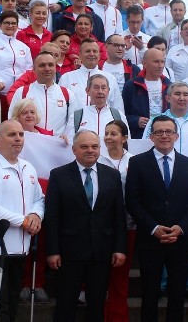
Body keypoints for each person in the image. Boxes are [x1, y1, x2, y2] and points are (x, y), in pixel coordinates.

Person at [45, 129, 127, 322]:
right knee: (65, 305)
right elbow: (53, 216)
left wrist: (119, 248)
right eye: (84, 147)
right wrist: (52, 250)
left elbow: (118, 216)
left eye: (94, 146)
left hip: (102, 251)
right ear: (74, 150)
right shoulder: (59, 175)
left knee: (97, 305)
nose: (90, 150)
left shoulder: (112, 176)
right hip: (68, 252)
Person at [126, 115, 188, 322]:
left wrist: (181, 227)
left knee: (177, 294)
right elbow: (132, 202)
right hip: (150, 239)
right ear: (151, 137)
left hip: (180, 239)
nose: (164, 136)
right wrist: (153, 227)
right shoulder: (137, 163)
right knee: (149, 293)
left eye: (169, 132)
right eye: (159, 132)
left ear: (176, 135)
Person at [0, 119, 44, 322]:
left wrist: (36, 216)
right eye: (12, 135)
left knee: (12, 306)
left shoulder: (28, 167)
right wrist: (24, 221)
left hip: (20, 251)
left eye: (21, 135)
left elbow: (39, 199)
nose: (18, 139)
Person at [100, 120, 136, 322]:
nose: (108, 137)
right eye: (106, 133)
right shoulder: (97, 160)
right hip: (102, 227)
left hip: (128, 225)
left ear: (124, 138)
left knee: (120, 278)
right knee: (100, 278)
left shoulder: (135, 161)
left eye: (113, 133)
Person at [0, 11, 32, 116]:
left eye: (13, 23)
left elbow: (29, 69)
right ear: (0, 26)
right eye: (7, 23)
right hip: (2, 92)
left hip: (20, 93)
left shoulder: (23, 47)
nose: (10, 26)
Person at [60, 38, 123, 112]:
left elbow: (118, 108)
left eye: (94, 51)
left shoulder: (110, 78)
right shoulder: (67, 78)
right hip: (74, 122)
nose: (91, 54)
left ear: (99, 55)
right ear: (79, 55)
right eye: (87, 51)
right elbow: (60, 109)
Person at [122, 48, 170, 138]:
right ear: (144, 63)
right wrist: (136, 121)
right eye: (156, 62)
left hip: (164, 136)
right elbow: (122, 114)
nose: (160, 65)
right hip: (139, 136)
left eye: (162, 62)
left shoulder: (169, 86)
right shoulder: (132, 86)